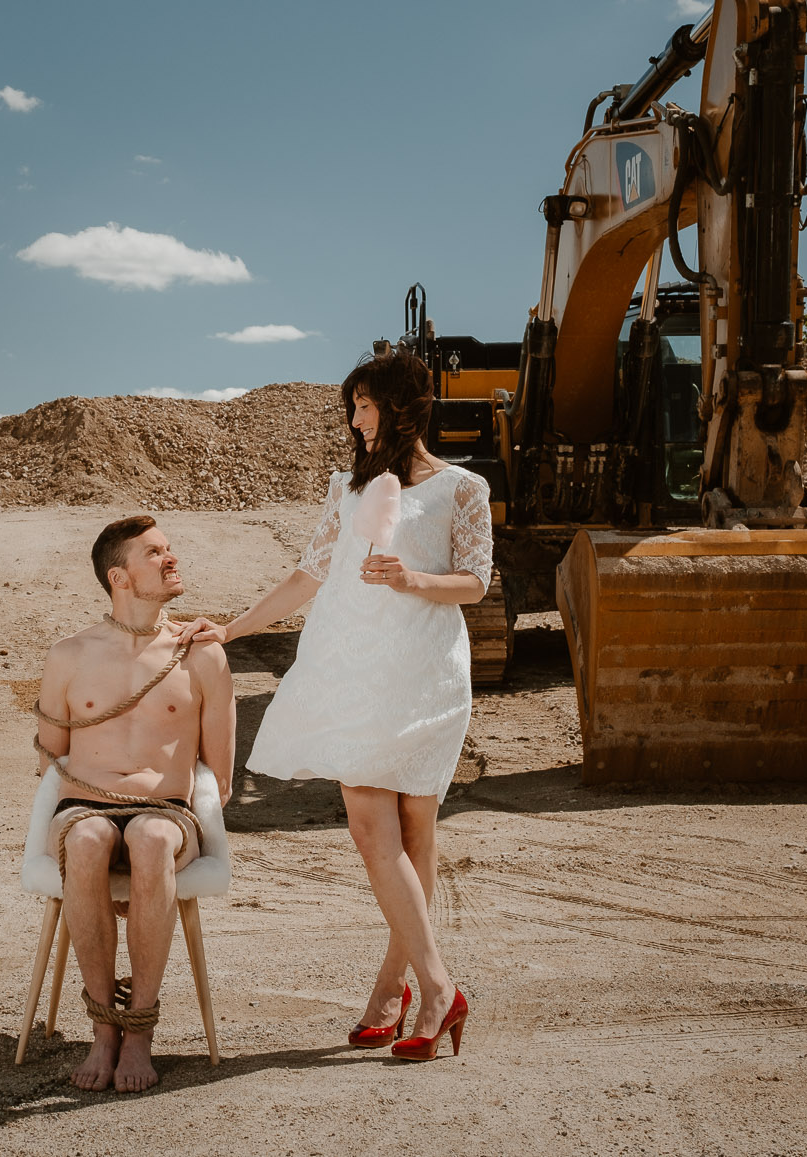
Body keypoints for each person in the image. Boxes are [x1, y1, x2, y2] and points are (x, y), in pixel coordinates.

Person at [179, 349, 490, 1061]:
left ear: (402, 404)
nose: (354, 420)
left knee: (415, 836)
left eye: (364, 405)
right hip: (349, 670)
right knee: (369, 829)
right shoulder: (346, 490)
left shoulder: (461, 488)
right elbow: (308, 574)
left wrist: (411, 576)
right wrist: (227, 627)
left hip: (422, 672)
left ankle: (393, 986)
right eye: (350, 407)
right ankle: (439, 988)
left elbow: (475, 582)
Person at [34, 515, 236, 1093]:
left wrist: (174, 840)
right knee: (89, 839)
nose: (171, 559)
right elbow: (51, 757)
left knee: (148, 839)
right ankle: (103, 1031)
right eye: (155, 553)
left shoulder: (200, 655)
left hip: (167, 812)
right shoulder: (69, 654)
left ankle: (139, 1032)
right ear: (119, 576)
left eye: (170, 549)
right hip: (85, 807)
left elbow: (217, 773)